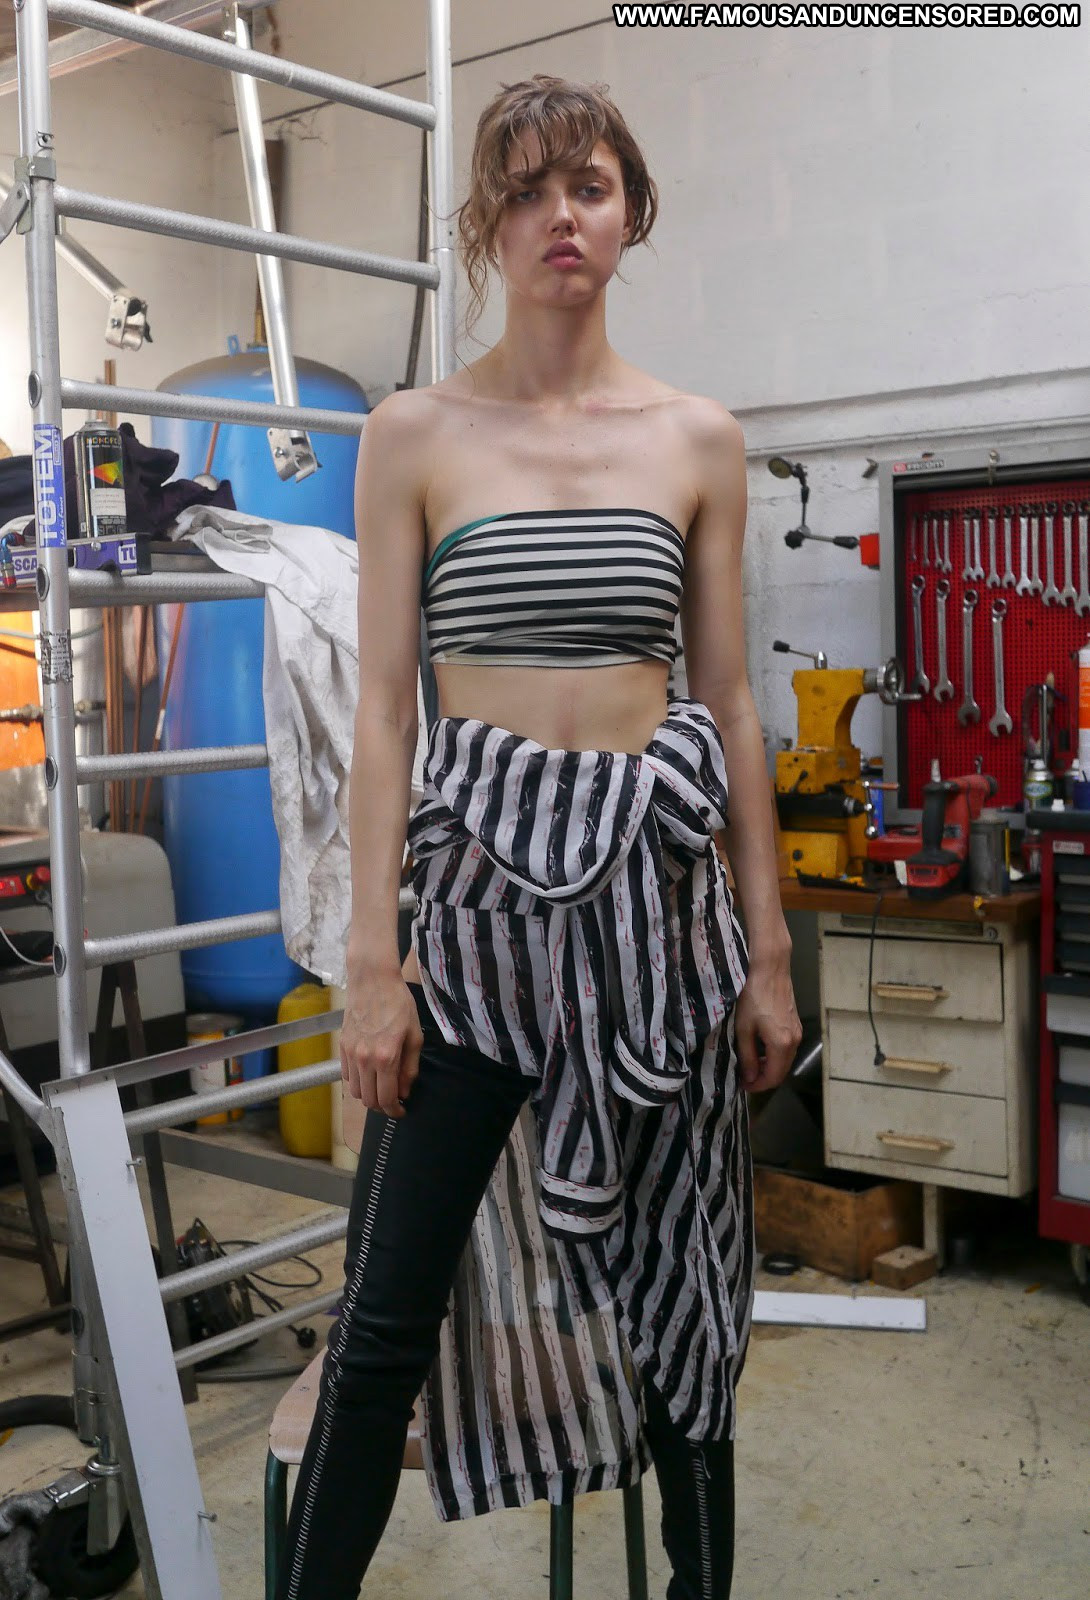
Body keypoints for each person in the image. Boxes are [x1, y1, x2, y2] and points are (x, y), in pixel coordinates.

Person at [277, 73, 802, 1600]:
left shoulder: (696, 439)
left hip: (654, 926)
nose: (557, 215)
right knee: (382, 1321)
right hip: (474, 935)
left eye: (585, 184)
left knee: (683, 1303)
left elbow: (729, 705)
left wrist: (765, 954)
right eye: (523, 191)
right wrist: (373, 964)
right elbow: (385, 712)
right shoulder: (412, 433)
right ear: (486, 229)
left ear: (630, 212)